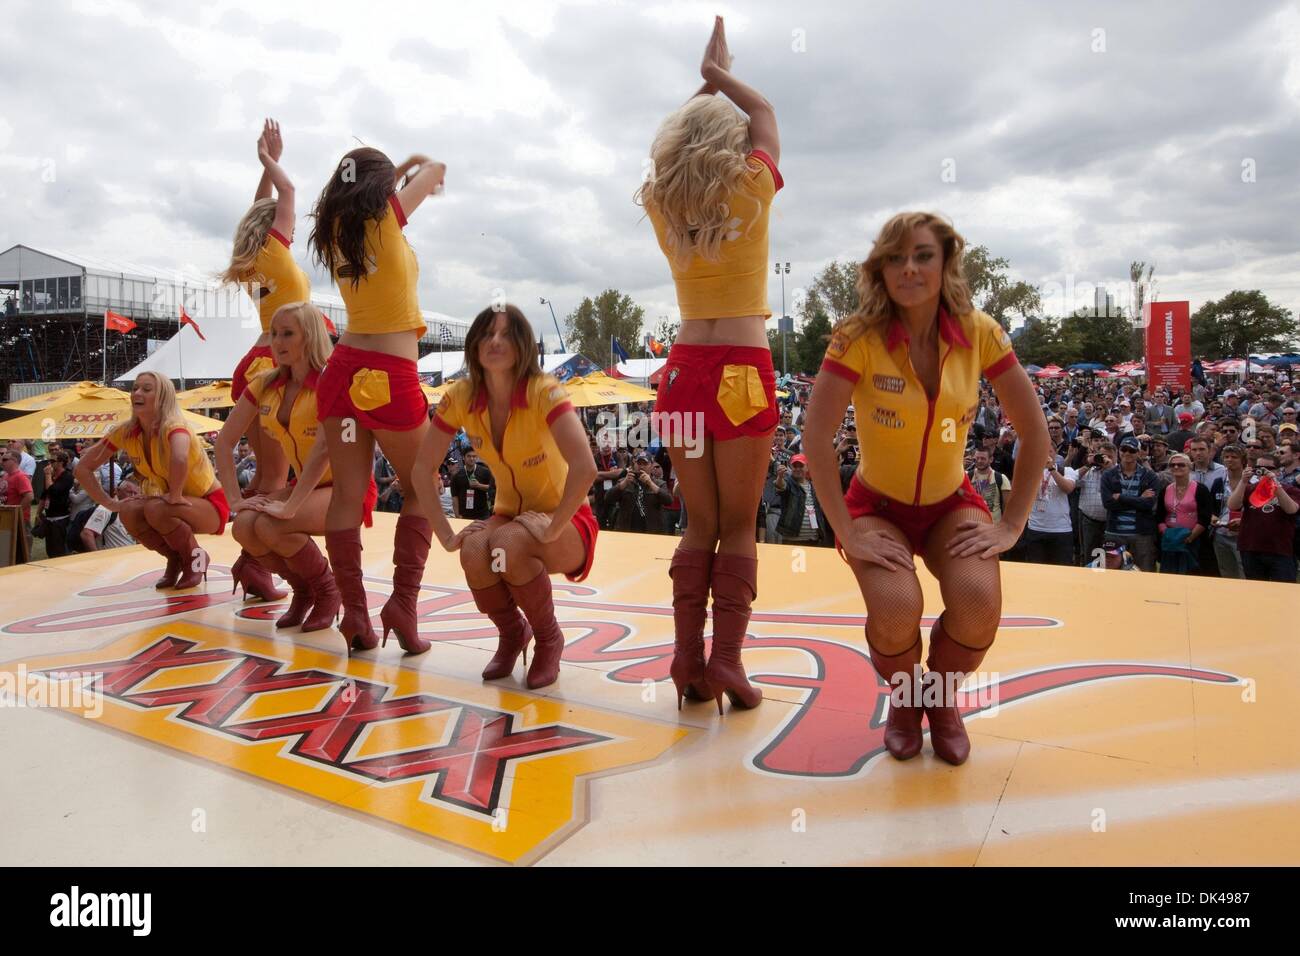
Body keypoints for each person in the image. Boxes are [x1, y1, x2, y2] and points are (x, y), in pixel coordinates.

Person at [806, 211, 1049, 765]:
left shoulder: (981, 332)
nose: (908, 268)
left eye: (922, 255)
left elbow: (1034, 432)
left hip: (950, 504)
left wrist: (1013, 523)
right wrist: (844, 530)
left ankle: (938, 700)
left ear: (945, 262)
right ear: (879, 269)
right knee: (896, 607)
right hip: (876, 506)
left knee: (980, 602)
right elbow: (815, 439)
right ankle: (906, 698)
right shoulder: (857, 337)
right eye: (895, 258)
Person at [637, 17, 782, 712]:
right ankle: (726, 663)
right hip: (743, 368)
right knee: (742, 524)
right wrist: (720, 74)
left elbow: (681, 142)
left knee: (699, 522)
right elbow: (765, 112)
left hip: (685, 369)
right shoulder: (753, 186)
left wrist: (702, 86)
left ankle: (686, 663)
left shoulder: (664, 203)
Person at [413, 304, 599, 689]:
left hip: (568, 520)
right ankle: (514, 633)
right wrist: (446, 536)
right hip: (509, 516)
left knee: (509, 545)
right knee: (474, 551)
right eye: (486, 333)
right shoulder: (461, 394)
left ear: (523, 345)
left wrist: (552, 528)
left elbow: (585, 467)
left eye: (505, 334)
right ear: (474, 344)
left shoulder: (543, 389)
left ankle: (549, 638)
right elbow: (421, 470)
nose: (494, 341)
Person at [308, 144, 446, 654]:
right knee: (423, 485)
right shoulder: (386, 219)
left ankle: (357, 618)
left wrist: (398, 172)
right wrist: (417, 166)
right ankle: (403, 604)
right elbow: (437, 172)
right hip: (386, 375)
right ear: (382, 188)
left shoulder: (339, 231)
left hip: (341, 373)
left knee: (348, 494)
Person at [218, 303, 378, 641]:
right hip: (304, 485)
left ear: (310, 336)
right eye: (274, 334)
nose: (277, 341)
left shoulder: (329, 380)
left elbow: (323, 449)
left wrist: (289, 505)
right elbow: (224, 442)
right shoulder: (265, 383)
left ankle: (327, 589)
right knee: (244, 527)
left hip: (346, 488)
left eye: (288, 333)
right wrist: (234, 499)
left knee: (270, 523)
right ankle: (304, 590)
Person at [74, 372, 230, 589]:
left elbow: (180, 456)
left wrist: (174, 495)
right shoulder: (126, 431)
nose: (137, 393)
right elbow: (83, 468)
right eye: (135, 388)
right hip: (170, 505)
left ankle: (195, 560)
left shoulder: (175, 425)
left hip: (211, 505)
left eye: (146, 389)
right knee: (128, 510)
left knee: (157, 509)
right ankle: (176, 559)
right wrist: (110, 504)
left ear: (163, 397)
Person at [219, 119, 305, 504]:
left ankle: (252, 556)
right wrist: (267, 159)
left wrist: (266, 164)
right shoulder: (275, 252)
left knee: (267, 479)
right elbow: (287, 189)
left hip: (258, 358)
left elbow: (261, 207)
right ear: (275, 227)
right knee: (275, 482)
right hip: (285, 357)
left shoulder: (248, 262)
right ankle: (260, 555)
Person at [1228, 452, 1299, 582]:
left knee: (1284, 590)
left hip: (1280, 549)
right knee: (1256, 591)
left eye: (1268, 468)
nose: (1263, 472)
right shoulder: (1249, 489)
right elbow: (1233, 505)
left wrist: (1275, 484)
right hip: (1251, 548)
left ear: (1278, 471)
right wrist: (1243, 481)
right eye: (1258, 468)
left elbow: (1291, 509)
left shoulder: (1290, 490)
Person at [1100, 436, 1160, 571]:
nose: (1127, 453)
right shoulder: (1108, 475)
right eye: (1124, 449)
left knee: (1144, 572)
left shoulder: (1149, 476)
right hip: (1114, 532)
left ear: (1138, 453)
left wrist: (1121, 497)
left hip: (1141, 534)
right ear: (1119, 451)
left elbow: (1148, 505)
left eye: (1132, 450)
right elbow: (1108, 503)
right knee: (1111, 573)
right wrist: (1139, 499)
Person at [1154, 452, 1214, 574]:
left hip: (1194, 539)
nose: (1176, 467)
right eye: (1173, 465)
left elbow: (1205, 517)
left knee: (1192, 574)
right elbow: (1159, 515)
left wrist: (1190, 537)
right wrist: (1166, 533)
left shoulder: (1201, 489)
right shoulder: (1166, 489)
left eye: (1181, 465)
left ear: (1189, 467)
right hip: (1170, 540)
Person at [1024, 453, 1077, 565]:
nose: (1046, 454)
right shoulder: (1030, 470)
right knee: (1036, 570)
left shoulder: (1066, 470)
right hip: (1036, 528)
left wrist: (1052, 469)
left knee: (1061, 571)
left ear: (1055, 453)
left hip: (1061, 530)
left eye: (1050, 451)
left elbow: (1068, 488)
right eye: (1043, 450)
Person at [774, 454, 829, 545]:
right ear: (791, 468)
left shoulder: (814, 486)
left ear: (807, 467)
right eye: (795, 466)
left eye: (801, 466)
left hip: (813, 538)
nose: (798, 469)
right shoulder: (788, 482)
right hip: (791, 539)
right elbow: (780, 485)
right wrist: (780, 476)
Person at [614, 452, 673, 532]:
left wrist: (651, 484)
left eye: (645, 464)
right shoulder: (624, 481)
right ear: (634, 464)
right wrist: (624, 483)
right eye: (639, 463)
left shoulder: (659, 483)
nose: (641, 466)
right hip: (627, 529)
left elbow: (668, 501)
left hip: (652, 530)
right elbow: (608, 498)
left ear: (652, 466)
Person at [35, 449, 76, 558]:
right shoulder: (52, 476)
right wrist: (38, 512)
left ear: (61, 462)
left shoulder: (67, 476)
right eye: (49, 460)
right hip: (49, 518)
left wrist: (48, 475)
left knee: (59, 550)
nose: (50, 463)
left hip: (60, 519)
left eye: (52, 461)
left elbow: (53, 490)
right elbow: (45, 495)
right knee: (50, 550)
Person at [80, 481, 141, 551]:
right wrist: (96, 557)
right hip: (110, 560)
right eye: (129, 492)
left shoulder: (133, 511)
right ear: (118, 491)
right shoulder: (106, 509)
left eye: (135, 493)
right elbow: (86, 534)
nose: (132, 496)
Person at [967, 447, 1011, 524]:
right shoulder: (967, 476)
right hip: (971, 526)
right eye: (977, 458)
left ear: (991, 459)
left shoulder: (1001, 478)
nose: (979, 461)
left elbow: (1007, 507)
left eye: (983, 458)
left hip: (993, 528)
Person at [451, 448, 494, 520]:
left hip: (482, 514)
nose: (471, 459)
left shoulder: (485, 472)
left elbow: (493, 488)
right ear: (463, 457)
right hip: (464, 515)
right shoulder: (457, 475)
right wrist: (457, 515)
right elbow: (455, 497)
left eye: (474, 456)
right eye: (469, 456)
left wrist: (479, 485)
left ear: (477, 457)